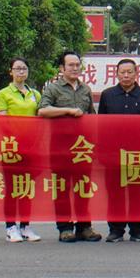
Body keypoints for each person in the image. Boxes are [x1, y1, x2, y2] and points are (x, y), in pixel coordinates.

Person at [38, 51, 98, 243]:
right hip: (60, 147)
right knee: (62, 188)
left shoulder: (86, 89)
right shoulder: (53, 89)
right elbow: (42, 110)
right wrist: (67, 111)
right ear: (62, 68)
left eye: (77, 65)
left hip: (83, 148)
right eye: (70, 65)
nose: (74, 68)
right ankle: (64, 227)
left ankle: (84, 227)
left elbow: (92, 117)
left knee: (83, 188)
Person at [97, 58, 140, 242]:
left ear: (136, 73)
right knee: (115, 193)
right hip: (113, 154)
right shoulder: (107, 95)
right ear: (116, 74)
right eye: (122, 72)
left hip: (138, 154)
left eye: (130, 72)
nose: (126, 75)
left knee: (138, 193)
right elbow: (100, 125)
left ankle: (138, 230)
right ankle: (116, 230)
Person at [0, 57, 45, 243]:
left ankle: (25, 225)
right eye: (17, 69)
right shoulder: (3, 94)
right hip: (11, 147)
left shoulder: (35, 94)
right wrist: (18, 139)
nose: (21, 72)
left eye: (24, 68)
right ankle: (10, 227)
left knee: (26, 187)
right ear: (11, 72)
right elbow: (2, 121)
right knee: (11, 188)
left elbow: (40, 119)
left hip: (31, 147)